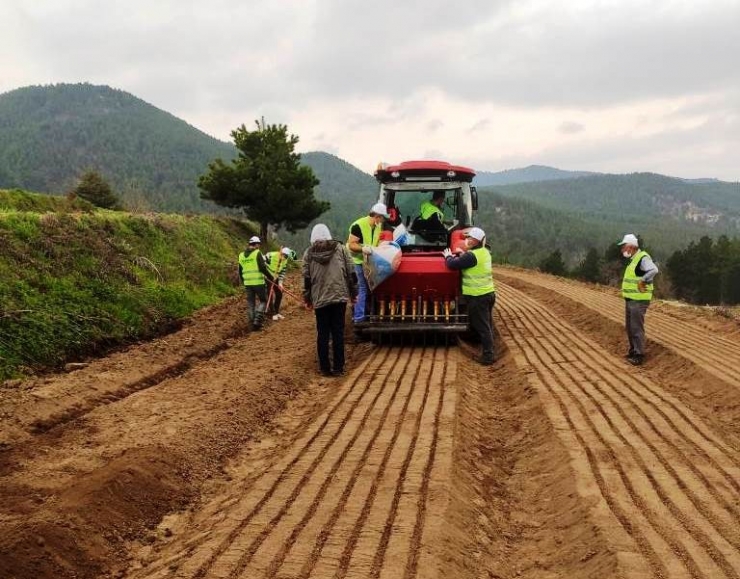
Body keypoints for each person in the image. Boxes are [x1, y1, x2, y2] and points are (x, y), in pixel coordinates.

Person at [303, 224, 358, 377]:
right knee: (338, 332)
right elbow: (351, 273)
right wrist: (354, 293)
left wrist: (307, 299)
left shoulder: (308, 253)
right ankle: (338, 368)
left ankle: (325, 368)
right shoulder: (340, 249)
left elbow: (307, 280)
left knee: (323, 333)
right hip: (339, 297)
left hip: (320, 299)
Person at [443, 227, 496, 365]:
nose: (467, 240)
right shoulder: (484, 252)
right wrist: (462, 254)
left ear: (476, 241)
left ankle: (488, 356)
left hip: (477, 296)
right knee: (487, 324)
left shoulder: (471, 256)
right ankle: (489, 349)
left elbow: (452, 265)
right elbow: (469, 260)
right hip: (488, 294)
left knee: (482, 326)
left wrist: (448, 255)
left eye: (470, 238)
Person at [618, 233, 659, 366]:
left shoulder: (643, 258)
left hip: (639, 300)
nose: (622, 250)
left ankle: (639, 354)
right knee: (630, 327)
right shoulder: (633, 260)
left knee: (636, 327)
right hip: (631, 299)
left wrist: (643, 280)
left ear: (631, 247)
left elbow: (654, 270)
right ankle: (633, 350)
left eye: (624, 247)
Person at [346, 202, 389, 323]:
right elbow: (351, 244)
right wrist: (363, 248)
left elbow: (375, 242)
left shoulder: (377, 227)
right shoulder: (358, 225)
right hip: (357, 261)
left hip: (368, 262)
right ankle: (359, 319)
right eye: (382, 218)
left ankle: (367, 313)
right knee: (362, 288)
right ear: (377, 216)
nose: (382, 221)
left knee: (371, 288)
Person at [237, 236, 274, 330]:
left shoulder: (241, 255)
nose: (259, 246)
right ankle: (257, 320)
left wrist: (244, 281)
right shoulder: (257, 253)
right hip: (258, 282)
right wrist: (271, 277)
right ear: (256, 244)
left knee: (251, 304)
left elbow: (240, 271)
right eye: (259, 244)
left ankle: (252, 324)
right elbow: (262, 267)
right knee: (263, 300)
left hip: (247, 283)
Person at [265, 246, 295, 320]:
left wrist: (280, 283)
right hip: (267, 276)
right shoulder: (271, 255)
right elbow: (261, 261)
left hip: (276, 277)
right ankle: (273, 314)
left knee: (279, 293)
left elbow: (282, 272)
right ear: (281, 253)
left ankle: (277, 312)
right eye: (283, 254)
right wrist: (263, 273)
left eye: (286, 256)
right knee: (270, 294)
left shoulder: (285, 261)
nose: (284, 257)